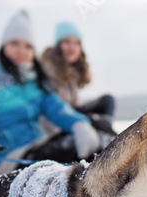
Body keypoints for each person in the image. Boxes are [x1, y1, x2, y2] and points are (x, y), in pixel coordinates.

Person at [0, 10, 100, 175]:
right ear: (4, 45)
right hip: (11, 160)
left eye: (27, 46)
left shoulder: (33, 77)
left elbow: (56, 107)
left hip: (39, 145)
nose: (21, 51)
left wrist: (78, 123)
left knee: (99, 132)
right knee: (72, 149)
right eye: (15, 44)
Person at [23, 21, 116, 163]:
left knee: (107, 101)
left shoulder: (71, 70)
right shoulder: (47, 70)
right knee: (96, 122)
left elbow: (73, 104)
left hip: (69, 115)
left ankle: (106, 138)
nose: (72, 47)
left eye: (76, 43)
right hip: (55, 126)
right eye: (67, 42)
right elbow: (49, 109)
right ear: (58, 45)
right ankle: (111, 145)